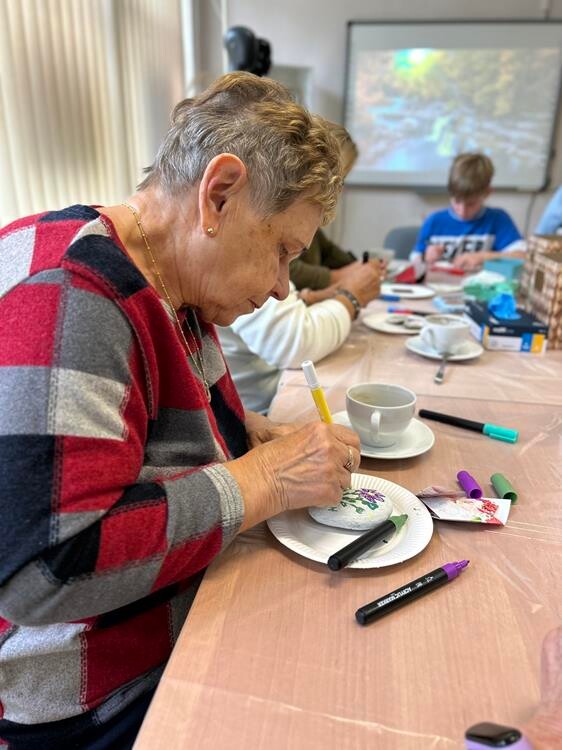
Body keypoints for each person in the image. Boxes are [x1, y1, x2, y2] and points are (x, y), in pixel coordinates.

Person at [0, 72, 361, 749]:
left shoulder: (173, 280)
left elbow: (149, 440)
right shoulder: (72, 297)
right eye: (282, 251)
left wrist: (251, 436)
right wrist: (265, 478)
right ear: (218, 194)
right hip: (85, 696)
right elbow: (43, 573)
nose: (282, 286)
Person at [218, 261, 382, 413]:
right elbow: (293, 344)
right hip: (254, 411)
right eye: (282, 249)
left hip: (255, 403)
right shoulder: (241, 266)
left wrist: (313, 297)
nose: (283, 291)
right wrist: (351, 297)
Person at [289, 127, 381, 289]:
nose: (339, 190)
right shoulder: (289, 209)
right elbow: (289, 271)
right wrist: (342, 276)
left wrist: (360, 267)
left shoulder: (310, 213)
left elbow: (328, 252)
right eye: (339, 180)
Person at [412, 152, 524, 272]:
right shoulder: (434, 221)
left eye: (471, 204)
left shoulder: (498, 219)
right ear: (450, 192)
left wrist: (483, 257)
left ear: (487, 193)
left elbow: (523, 256)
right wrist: (426, 257)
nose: (462, 211)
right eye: (457, 201)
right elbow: (415, 261)